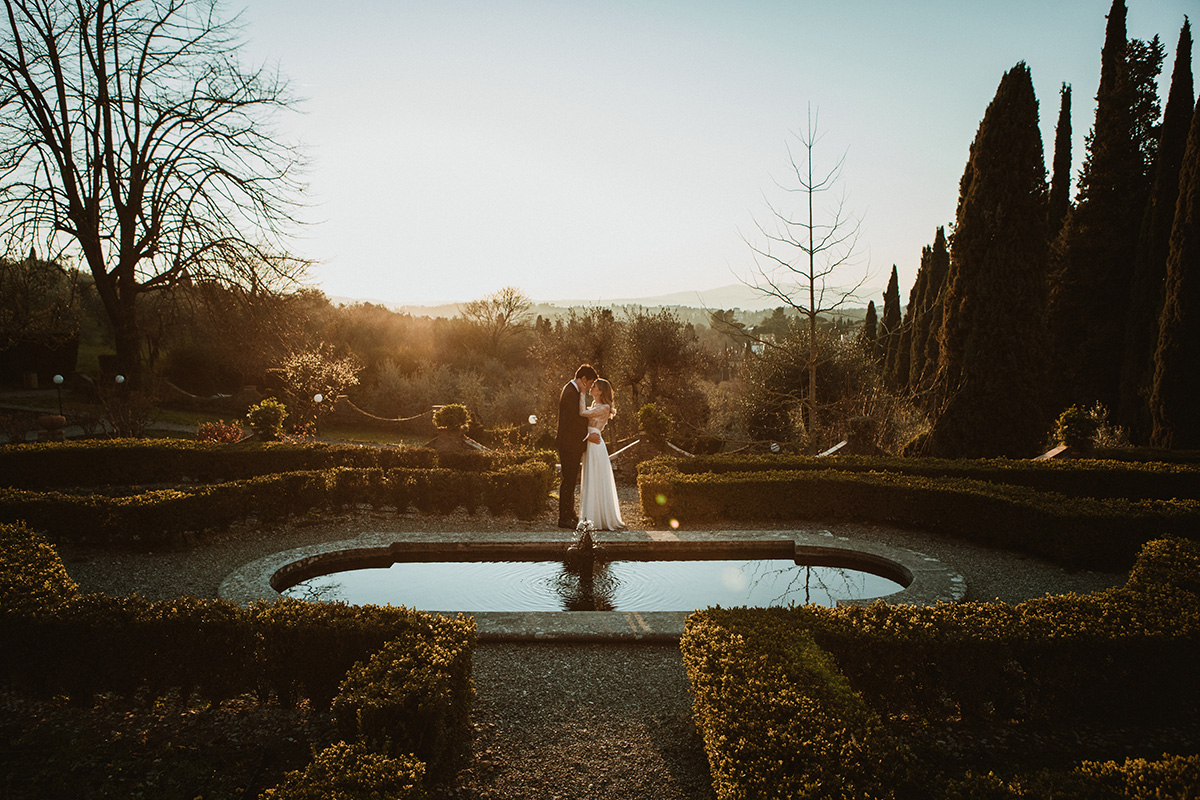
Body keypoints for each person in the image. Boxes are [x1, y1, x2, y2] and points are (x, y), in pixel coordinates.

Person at [578, 377, 625, 530]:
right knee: (591, 477)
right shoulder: (595, 405)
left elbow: (582, 412)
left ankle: (597, 518)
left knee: (596, 477)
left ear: (600, 391)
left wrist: (581, 392)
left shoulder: (604, 407)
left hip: (595, 444)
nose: (591, 387)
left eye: (594, 386)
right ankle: (590, 516)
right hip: (590, 441)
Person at [556, 364, 597, 528]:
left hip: (571, 444)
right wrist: (588, 434)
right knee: (568, 481)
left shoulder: (571, 391)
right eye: (589, 384)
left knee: (571, 480)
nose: (588, 389)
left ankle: (569, 514)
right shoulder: (570, 394)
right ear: (584, 379)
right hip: (568, 444)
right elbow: (571, 422)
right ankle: (563, 519)